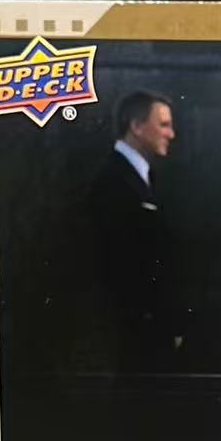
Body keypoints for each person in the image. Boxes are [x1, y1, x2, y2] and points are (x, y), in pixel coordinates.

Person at [71, 91, 181, 374]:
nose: (171, 134)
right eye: (164, 125)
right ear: (137, 126)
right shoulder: (111, 180)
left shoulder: (141, 177)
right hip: (123, 334)